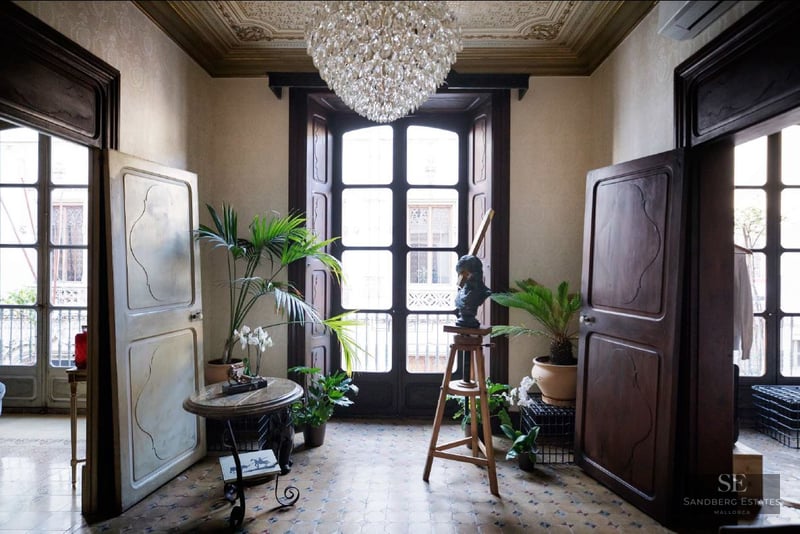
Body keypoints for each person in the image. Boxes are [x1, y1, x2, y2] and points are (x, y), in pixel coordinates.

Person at [454, 255, 491, 328]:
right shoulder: (460, 293)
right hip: (462, 322)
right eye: (461, 273)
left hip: (472, 323)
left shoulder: (483, 292)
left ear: (475, 273)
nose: (462, 277)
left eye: (465, 273)